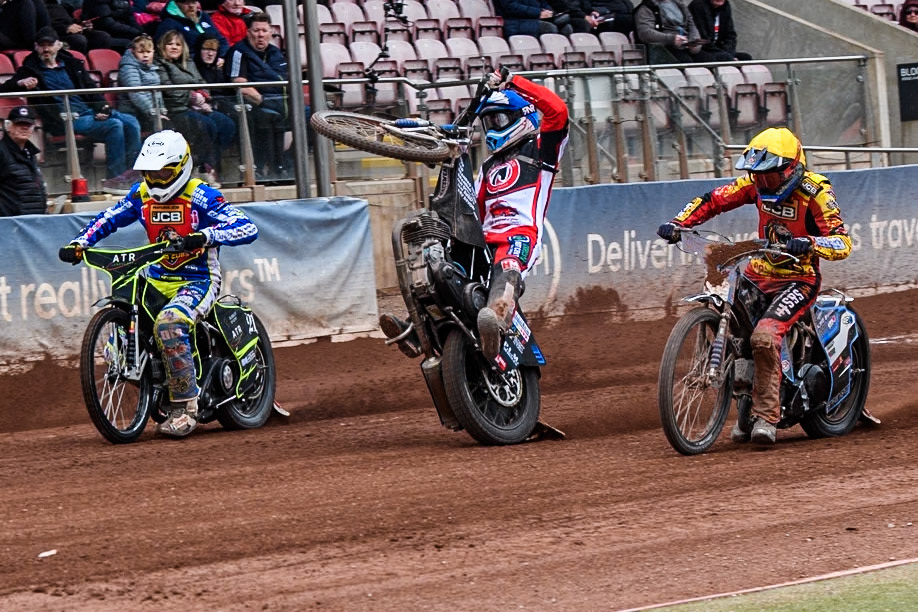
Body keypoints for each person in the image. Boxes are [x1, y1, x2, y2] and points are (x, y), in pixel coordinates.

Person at [656, 127, 851, 445]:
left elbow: (842, 242)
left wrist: (809, 243)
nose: (761, 182)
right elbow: (713, 201)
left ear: (789, 169)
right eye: (756, 175)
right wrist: (679, 223)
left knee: (763, 336)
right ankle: (743, 402)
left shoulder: (815, 192)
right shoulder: (754, 185)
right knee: (730, 317)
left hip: (799, 279)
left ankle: (767, 416)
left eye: (768, 176)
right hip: (760, 271)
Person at [58, 130, 259, 438]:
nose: (156, 179)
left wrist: (204, 236)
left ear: (181, 167)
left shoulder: (201, 194)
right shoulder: (141, 194)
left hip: (198, 279)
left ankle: (186, 407)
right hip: (157, 277)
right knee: (128, 306)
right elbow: (110, 217)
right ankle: (152, 376)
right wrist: (80, 242)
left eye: (163, 172)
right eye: (150, 173)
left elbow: (246, 226)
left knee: (170, 323)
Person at [380, 70, 569, 362]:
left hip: (518, 235)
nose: (494, 126)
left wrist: (513, 80)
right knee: (440, 266)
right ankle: (418, 330)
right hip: (482, 239)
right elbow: (472, 208)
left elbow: (557, 110)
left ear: (522, 116)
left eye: (500, 119)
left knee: (507, 268)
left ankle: (496, 317)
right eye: (489, 121)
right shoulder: (488, 166)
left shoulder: (542, 151)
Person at [0, 26, 142, 193]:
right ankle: (114, 179)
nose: (46, 49)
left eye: (50, 44)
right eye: (42, 45)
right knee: (114, 125)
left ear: (59, 45)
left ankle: (131, 174)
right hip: (66, 117)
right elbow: (7, 87)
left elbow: (90, 88)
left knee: (132, 122)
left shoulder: (72, 64)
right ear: (36, 47)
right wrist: (21, 83)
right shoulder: (29, 69)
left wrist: (102, 108)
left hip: (90, 111)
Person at [156, 29, 236, 185]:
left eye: (178, 44)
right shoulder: (160, 64)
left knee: (227, 125)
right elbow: (168, 89)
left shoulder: (189, 62)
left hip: (197, 107)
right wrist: (192, 97)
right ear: (162, 46)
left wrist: (204, 97)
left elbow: (202, 83)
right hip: (175, 110)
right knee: (207, 126)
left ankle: (208, 164)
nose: (174, 47)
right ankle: (200, 169)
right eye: (170, 44)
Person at [224, 12, 291, 181]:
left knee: (312, 117)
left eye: (264, 30)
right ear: (248, 32)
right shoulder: (239, 52)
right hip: (255, 105)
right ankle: (262, 170)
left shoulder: (276, 53)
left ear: (270, 32)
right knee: (267, 117)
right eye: (256, 30)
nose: (260, 34)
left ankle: (287, 166)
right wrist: (264, 101)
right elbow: (240, 85)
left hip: (282, 103)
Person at [633, 0, 733, 64]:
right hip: (663, 48)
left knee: (709, 61)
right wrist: (672, 39)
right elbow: (645, 33)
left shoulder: (679, 4)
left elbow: (691, 24)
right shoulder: (645, 9)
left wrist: (695, 43)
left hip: (685, 45)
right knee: (686, 62)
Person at [0, 105, 47, 216]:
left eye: (28, 124)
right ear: (8, 126)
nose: (24, 128)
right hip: (10, 223)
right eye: (19, 124)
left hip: (33, 221)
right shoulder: (1, 152)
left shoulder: (30, 153)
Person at [118, 33, 168, 132]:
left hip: (150, 113)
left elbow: (157, 93)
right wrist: (154, 113)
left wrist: (162, 111)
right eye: (141, 52)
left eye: (148, 52)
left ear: (153, 52)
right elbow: (136, 93)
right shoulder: (128, 67)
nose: (145, 55)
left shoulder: (152, 67)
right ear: (133, 52)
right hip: (132, 112)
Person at [155, 0, 229, 58]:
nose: (191, 6)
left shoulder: (204, 17)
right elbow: (166, 51)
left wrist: (219, 57)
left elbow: (222, 41)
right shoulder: (169, 23)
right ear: (177, 4)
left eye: (193, 2)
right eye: (186, 3)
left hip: (214, 62)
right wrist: (203, 58)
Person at [45, 0, 114, 54]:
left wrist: (81, 24)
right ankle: (77, 67)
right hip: (56, 33)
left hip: (70, 30)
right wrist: (65, 28)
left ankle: (98, 66)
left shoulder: (59, 4)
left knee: (102, 37)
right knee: (79, 40)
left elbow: (69, 19)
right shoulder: (41, 4)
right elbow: (44, 24)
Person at [80, 0, 144, 52]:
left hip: (120, 30)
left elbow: (131, 18)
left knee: (144, 39)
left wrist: (142, 33)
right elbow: (108, 24)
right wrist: (137, 32)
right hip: (100, 33)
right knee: (133, 43)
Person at [492, 0, 561, 38]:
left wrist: (549, 12)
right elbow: (511, 7)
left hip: (532, 19)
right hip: (512, 22)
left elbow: (543, 3)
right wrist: (538, 13)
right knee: (549, 28)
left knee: (565, 25)